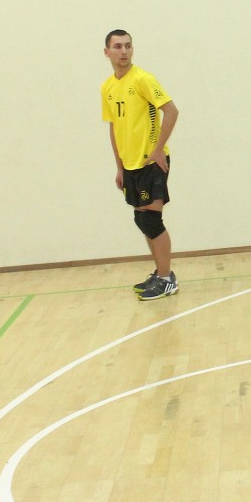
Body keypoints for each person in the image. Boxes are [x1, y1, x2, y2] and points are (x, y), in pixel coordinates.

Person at [101, 29, 180, 300]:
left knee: (151, 220)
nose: (124, 51)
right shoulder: (107, 87)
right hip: (130, 165)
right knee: (142, 220)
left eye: (128, 46)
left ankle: (167, 279)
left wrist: (158, 150)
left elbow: (171, 111)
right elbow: (114, 128)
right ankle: (160, 273)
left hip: (150, 162)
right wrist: (119, 167)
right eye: (118, 47)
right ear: (107, 52)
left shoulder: (143, 79)